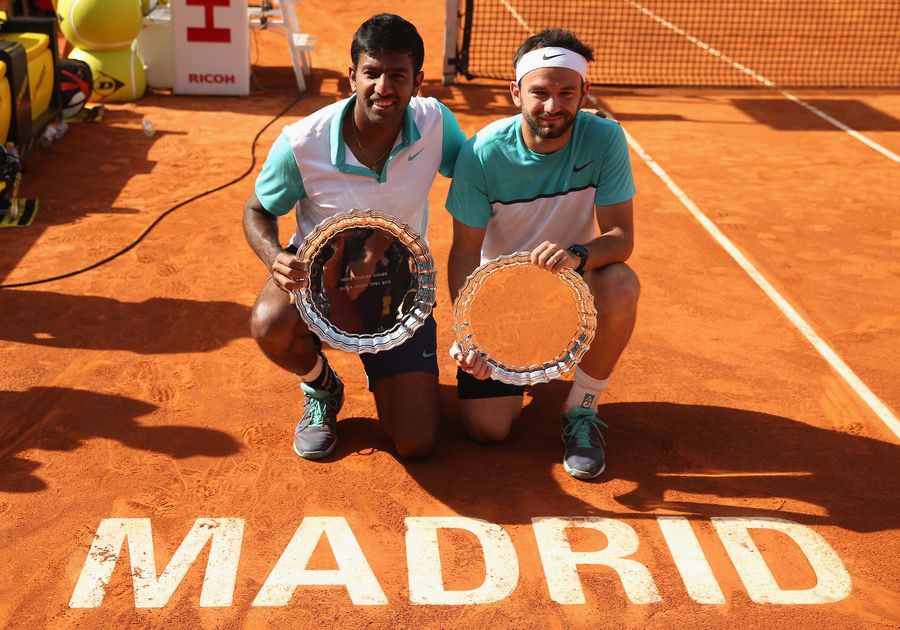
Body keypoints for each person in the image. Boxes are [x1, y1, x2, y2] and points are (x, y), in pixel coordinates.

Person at [243, 13, 465, 461]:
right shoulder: (302, 142)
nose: (384, 86)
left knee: (416, 441)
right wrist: (274, 258)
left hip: (400, 291)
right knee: (270, 324)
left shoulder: (437, 124)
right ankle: (322, 385)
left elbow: (479, 172)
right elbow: (258, 211)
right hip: (319, 279)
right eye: (372, 73)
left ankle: (386, 369)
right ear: (353, 76)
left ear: (418, 81)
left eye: (398, 75)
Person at [445, 28, 639, 480]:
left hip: (570, 291)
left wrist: (578, 254)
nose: (553, 106)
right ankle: (524, 364)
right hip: (501, 307)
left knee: (621, 281)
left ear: (584, 93)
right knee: (486, 430)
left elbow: (620, 237)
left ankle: (581, 411)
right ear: (516, 93)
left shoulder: (605, 140)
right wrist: (471, 332)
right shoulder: (482, 153)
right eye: (541, 93)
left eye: (566, 93)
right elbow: (464, 253)